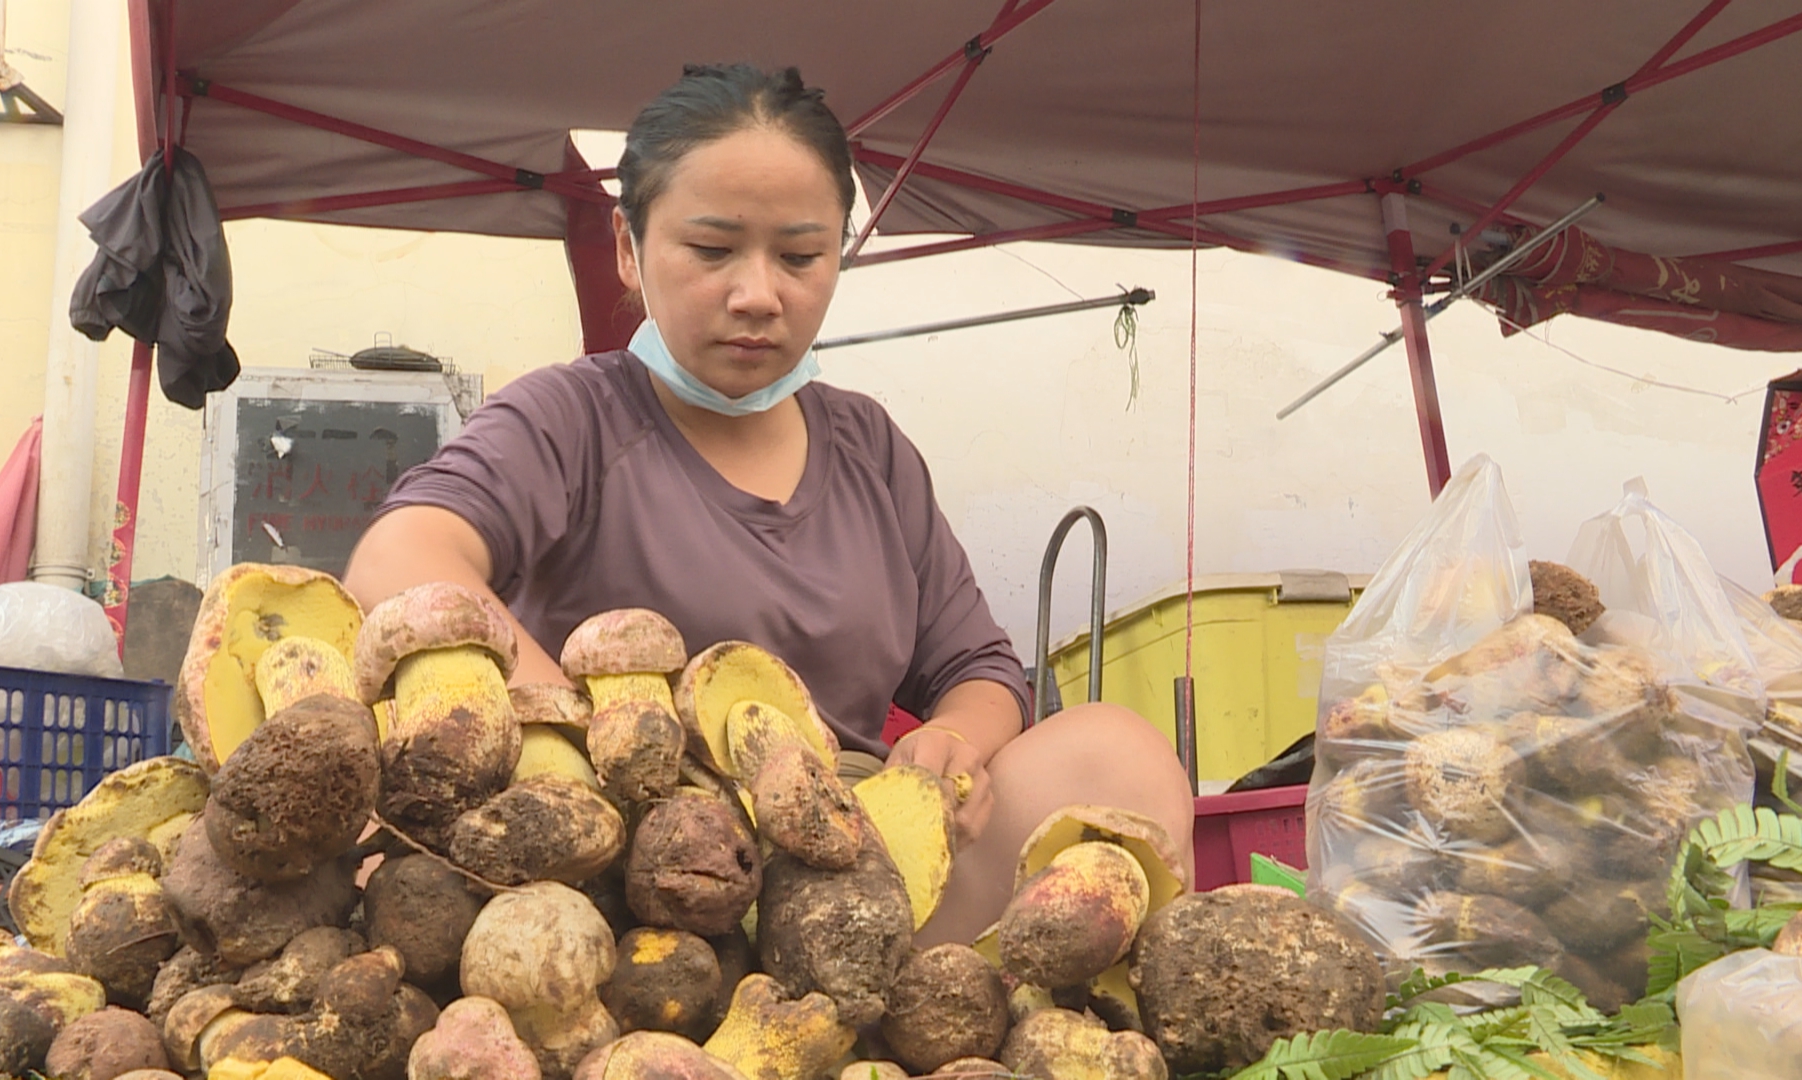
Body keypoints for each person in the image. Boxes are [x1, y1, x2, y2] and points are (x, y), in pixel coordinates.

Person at [343, 63, 1194, 945]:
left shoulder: (869, 447)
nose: (758, 294)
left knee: (1114, 756)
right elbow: (401, 560)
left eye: (800, 256)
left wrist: (954, 746)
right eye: (712, 250)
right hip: (624, 879)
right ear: (629, 250)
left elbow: (979, 667)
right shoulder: (570, 416)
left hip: (861, 868)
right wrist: (579, 736)